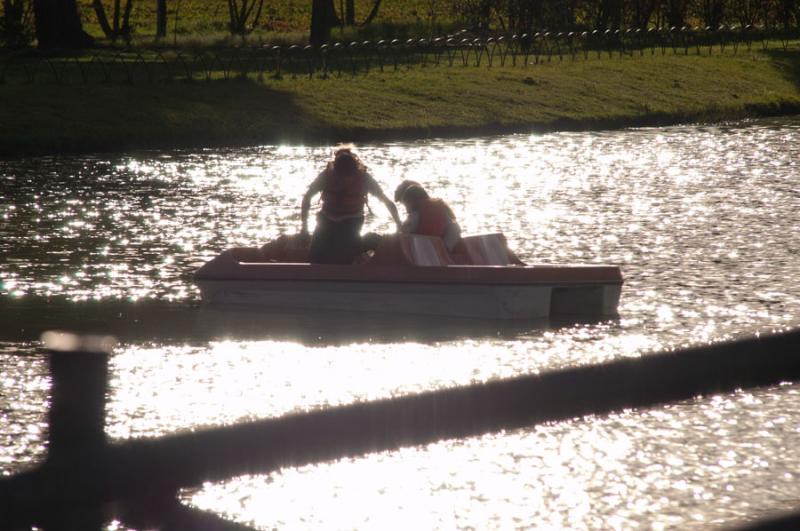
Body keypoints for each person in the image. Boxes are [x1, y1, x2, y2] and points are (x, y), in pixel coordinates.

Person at [301, 148, 401, 264]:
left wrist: (399, 224)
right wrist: (304, 228)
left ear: (355, 172)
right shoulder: (326, 176)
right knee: (315, 256)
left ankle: (370, 240)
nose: (344, 180)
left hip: (352, 219)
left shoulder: (365, 179)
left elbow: (387, 202)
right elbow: (307, 198)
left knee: (345, 255)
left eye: (348, 176)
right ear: (335, 172)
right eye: (340, 177)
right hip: (327, 218)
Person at [394, 181, 462, 251]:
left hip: (429, 248)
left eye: (406, 205)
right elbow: (455, 228)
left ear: (412, 201)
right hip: (444, 244)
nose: (406, 209)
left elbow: (404, 232)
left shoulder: (415, 215)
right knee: (454, 227)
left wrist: (398, 231)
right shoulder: (440, 208)